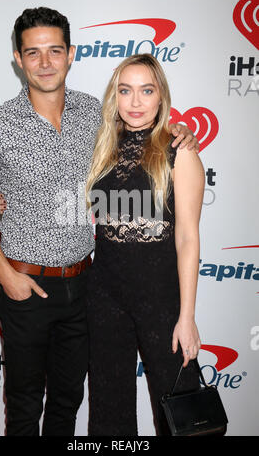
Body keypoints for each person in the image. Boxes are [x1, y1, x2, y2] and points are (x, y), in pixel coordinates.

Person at [0, 6, 199, 436]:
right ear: (18, 58)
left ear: (71, 54)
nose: (46, 62)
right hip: (25, 287)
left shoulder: (98, 116)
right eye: (34, 53)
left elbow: (144, 133)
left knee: (69, 403)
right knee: (23, 407)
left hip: (87, 287)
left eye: (55, 50)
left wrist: (180, 133)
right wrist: (4, 275)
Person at [85, 53, 205, 436]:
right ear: (114, 97)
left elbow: (187, 238)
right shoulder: (102, 148)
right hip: (104, 295)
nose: (135, 102)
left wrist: (186, 316)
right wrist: (6, 202)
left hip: (160, 298)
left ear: (160, 97)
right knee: (108, 406)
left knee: (179, 410)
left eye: (146, 90)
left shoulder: (179, 150)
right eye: (125, 90)